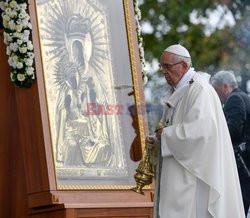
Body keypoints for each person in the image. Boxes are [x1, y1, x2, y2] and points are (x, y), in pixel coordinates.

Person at [146, 44, 245, 218]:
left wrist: (166, 136)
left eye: (167, 66)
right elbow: (167, 127)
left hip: (192, 176)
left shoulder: (200, 90)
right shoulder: (177, 92)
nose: (163, 71)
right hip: (177, 172)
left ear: (183, 66)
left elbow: (200, 133)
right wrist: (156, 140)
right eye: (162, 66)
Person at [211, 70, 250, 215]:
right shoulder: (244, 96)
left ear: (225, 87)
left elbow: (232, 131)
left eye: (215, 90)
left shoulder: (234, 99)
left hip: (242, 164)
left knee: (239, 206)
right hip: (246, 161)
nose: (215, 95)